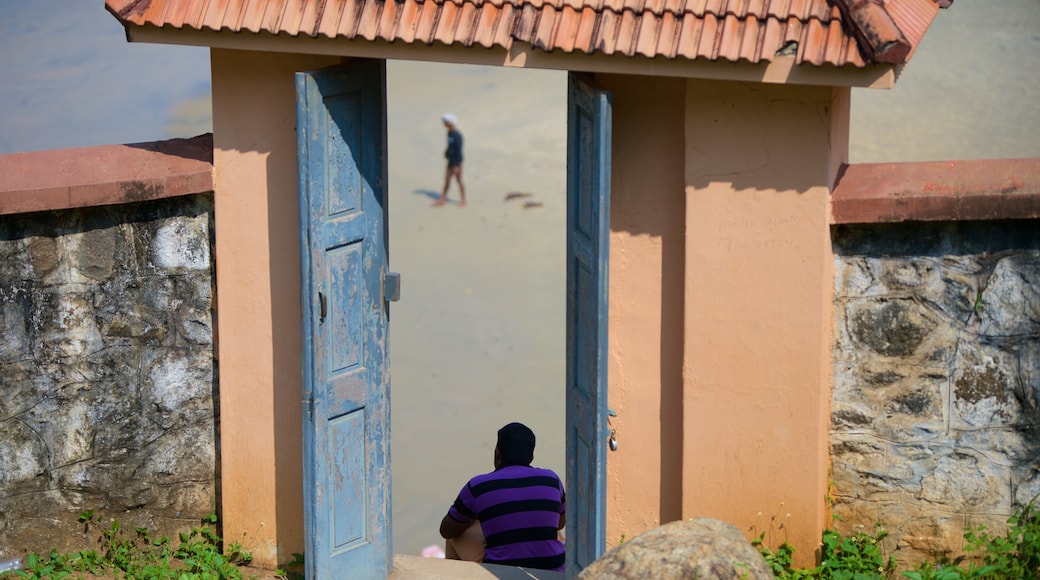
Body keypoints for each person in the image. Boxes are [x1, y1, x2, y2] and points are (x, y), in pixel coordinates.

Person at [439, 422, 566, 571]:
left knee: (457, 531)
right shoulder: (551, 479)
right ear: (531, 456)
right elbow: (560, 524)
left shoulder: (478, 485)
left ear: (497, 453)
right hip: (553, 571)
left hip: (501, 573)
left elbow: (446, 530)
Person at [434, 113, 466, 207]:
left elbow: (459, 150)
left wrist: (456, 165)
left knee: (459, 180)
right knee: (447, 180)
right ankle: (442, 198)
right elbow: (450, 147)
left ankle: (463, 200)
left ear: (450, 123)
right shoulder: (449, 133)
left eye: (445, 122)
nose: (443, 124)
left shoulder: (457, 135)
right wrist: (446, 153)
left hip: (457, 162)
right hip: (450, 161)